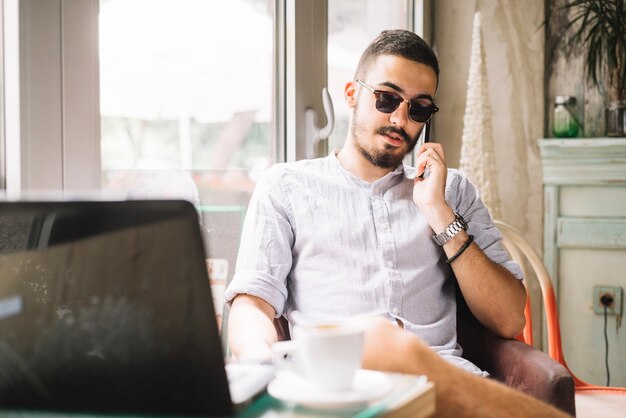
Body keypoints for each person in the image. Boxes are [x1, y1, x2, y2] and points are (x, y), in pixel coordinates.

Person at [225, 28, 525, 373]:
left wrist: (439, 213)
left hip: (441, 383)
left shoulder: (451, 190)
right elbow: (252, 303)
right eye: (386, 98)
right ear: (352, 94)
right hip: (339, 383)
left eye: (419, 109)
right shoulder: (286, 186)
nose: (400, 119)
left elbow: (509, 319)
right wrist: (263, 372)